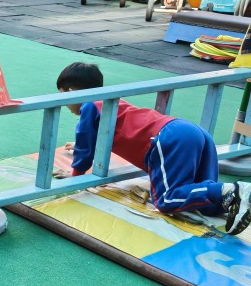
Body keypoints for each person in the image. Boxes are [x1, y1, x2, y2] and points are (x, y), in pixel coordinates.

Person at [56, 62, 251, 233]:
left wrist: (75, 177)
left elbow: (85, 150)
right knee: (204, 200)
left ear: (72, 92)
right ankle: (235, 199)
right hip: (189, 131)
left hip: (167, 137)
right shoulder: (110, 101)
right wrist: (82, 144)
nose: (66, 106)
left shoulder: (89, 106)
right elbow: (101, 134)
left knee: (167, 199)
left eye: (63, 97)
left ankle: (233, 189)